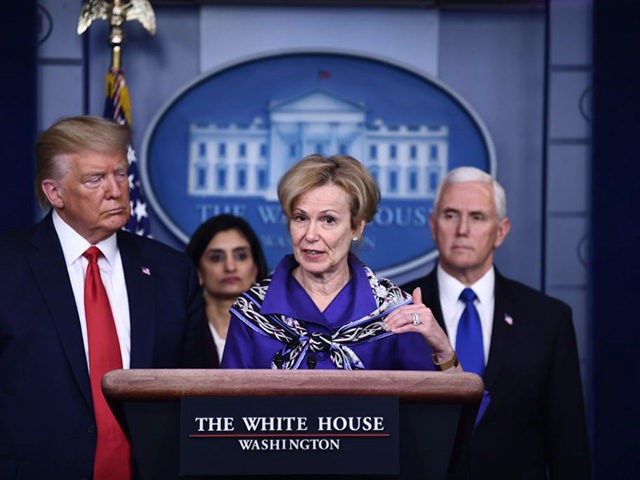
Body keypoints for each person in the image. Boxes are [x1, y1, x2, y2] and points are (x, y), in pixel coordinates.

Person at [0, 116, 208, 479]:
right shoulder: (7, 268)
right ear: (54, 193)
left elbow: (200, 390)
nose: (115, 190)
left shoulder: (172, 272)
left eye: (120, 174)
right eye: (95, 179)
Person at [402, 166, 591, 479]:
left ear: (501, 230)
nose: (463, 229)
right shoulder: (397, 308)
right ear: (434, 226)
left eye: (477, 217)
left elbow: (568, 446)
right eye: (450, 215)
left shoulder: (548, 319)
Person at [221, 154, 460, 372]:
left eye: (328, 220)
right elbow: (223, 414)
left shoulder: (394, 312)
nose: (311, 234)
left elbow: (445, 414)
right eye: (301, 218)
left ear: (357, 226)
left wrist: (442, 350)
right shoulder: (251, 311)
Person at [186, 214, 268, 367]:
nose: (230, 267)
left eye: (241, 256)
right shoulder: (182, 329)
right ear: (198, 272)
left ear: (255, 267)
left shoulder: (276, 329)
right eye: (216, 258)